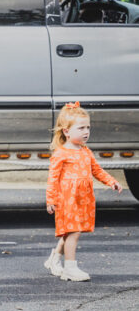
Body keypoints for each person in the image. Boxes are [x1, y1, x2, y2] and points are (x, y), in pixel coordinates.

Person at [44, 103, 123, 281]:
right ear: (66, 131)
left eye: (88, 127)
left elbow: (97, 171)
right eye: (81, 128)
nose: (86, 131)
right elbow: (53, 178)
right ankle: (70, 269)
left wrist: (112, 181)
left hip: (83, 199)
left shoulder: (86, 151)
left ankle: (54, 259)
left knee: (70, 231)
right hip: (67, 199)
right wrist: (51, 199)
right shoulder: (61, 153)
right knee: (73, 232)